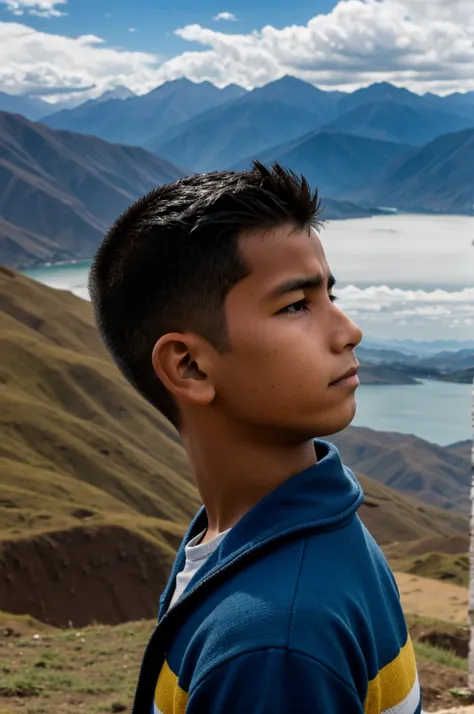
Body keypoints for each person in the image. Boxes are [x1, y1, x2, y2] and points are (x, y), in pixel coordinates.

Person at [89, 161, 422, 714]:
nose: (348, 330)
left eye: (328, 296)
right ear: (190, 366)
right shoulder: (283, 540)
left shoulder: (271, 643)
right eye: (296, 305)